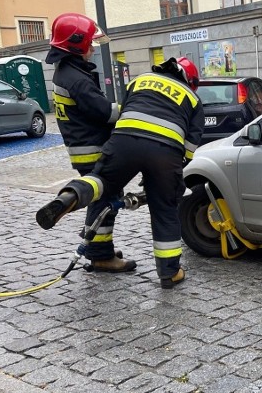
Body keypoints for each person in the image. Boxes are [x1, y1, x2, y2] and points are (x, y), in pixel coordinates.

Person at [36, 57, 204, 289]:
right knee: (165, 209)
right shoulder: (193, 99)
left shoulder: (140, 80)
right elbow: (189, 148)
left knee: (101, 181)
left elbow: (124, 112)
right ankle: (169, 272)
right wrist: (166, 178)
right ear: (189, 79)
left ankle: (71, 195)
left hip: (123, 142)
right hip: (165, 154)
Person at [46, 12, 132, 272]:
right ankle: (101, 255)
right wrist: (131, 108)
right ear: (76, 44)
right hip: (93, 150)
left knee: (99, 199)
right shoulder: (76, 79)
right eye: (89, 43)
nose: (93, 48)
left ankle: (97, 247)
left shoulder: (68, 72)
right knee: (105, 200)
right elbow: (105, 113)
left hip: (83, 149)